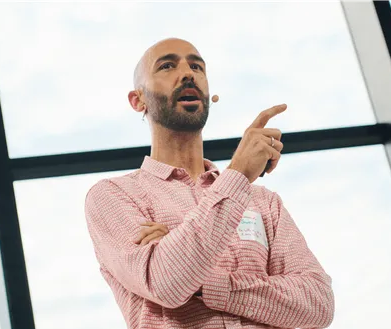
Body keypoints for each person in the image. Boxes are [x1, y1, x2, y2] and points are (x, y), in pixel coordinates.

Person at [84, 38, 334, 329]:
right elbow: (166, 282)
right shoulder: (113, 196)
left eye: (196, 66)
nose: (187, 73)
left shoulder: (264, 203)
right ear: (137, 100)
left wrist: (197, 276)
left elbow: (318, 305)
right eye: (167, 66)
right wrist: (238, 173)